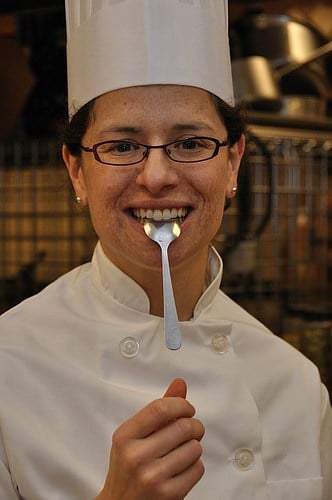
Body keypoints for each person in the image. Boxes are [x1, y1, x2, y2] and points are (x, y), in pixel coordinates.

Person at [0, 1, 331, 499]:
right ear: (76, 170)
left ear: (233, 163)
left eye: (192, 142)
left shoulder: (296, 386)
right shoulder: (10, 367)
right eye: (123, 146)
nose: (156, 176)